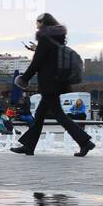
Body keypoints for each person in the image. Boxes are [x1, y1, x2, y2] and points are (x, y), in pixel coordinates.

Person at [11, 13, 94, 157]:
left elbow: (37, 62)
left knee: (59, 115)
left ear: (44, 23)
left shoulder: (44, 37)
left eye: (38, 22)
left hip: (49, 83)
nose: (36, 24)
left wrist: (24, 78)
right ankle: (29, 146)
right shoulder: (56, 38)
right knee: (39, 115)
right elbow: (49, 57)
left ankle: (85, 141)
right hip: (57, 82)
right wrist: (37, 49)